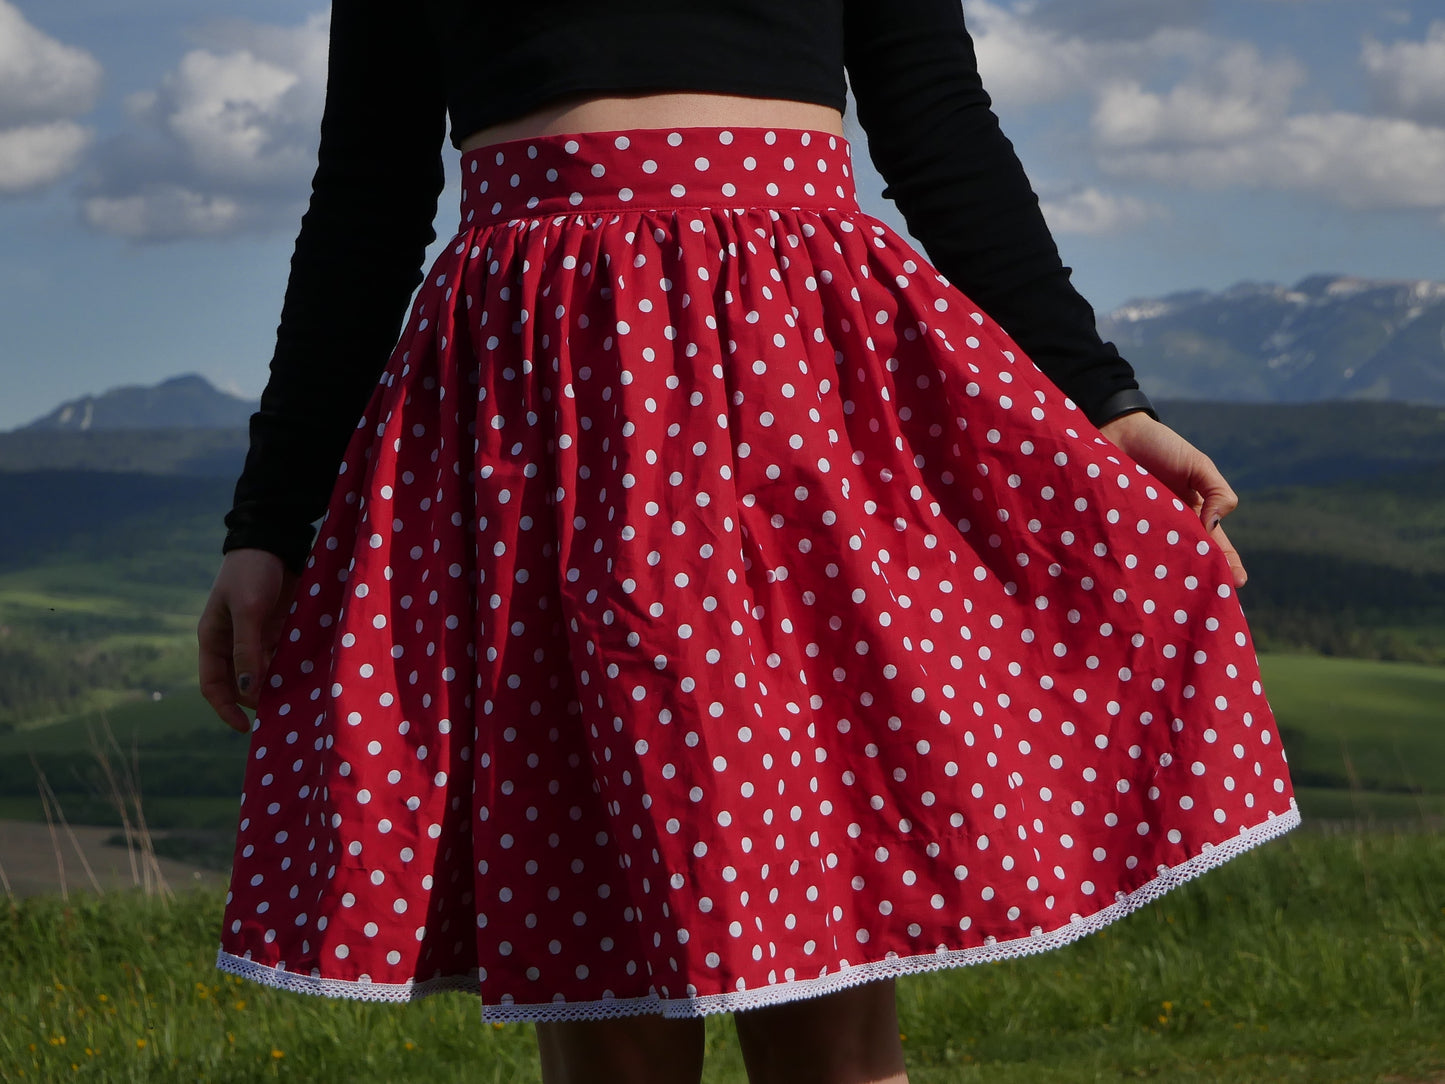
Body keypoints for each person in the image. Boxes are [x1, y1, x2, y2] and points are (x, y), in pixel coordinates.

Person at [197, 1, 1300, 1080]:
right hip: (545, 416)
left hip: (790, 388)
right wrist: (269, 520)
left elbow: (936, 122)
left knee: (826, 1012)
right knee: (609, 1010)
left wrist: (1101, 401)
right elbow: (366, 198)